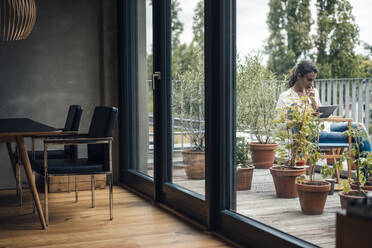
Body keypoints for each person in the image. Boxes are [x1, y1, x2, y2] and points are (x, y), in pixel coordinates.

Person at [276, 60, 371, 153]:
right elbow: (280, 125)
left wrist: (314, 102)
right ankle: (367, 167)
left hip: (325, 127)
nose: (312, 84)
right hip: (310, 135)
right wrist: (303, 118)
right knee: (356, 135)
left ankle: (367, 166)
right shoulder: (285, 97)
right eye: (309, 79)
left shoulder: (314, 92)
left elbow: (321, 115)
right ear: (299, 76)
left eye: (313, 80)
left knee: (359, 127)